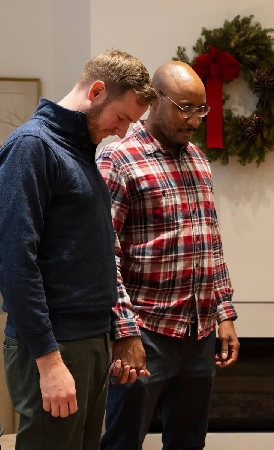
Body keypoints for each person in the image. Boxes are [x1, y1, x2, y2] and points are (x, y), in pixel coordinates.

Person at [0, 49, 157, 450]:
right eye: (121, 118)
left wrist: (115, 336)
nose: (123, 133)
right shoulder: (33, 147)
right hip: (56, 344)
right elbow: (15, 261)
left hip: (90, 341)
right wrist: (50, 361)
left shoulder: (80, 150)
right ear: (97, 91)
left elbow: (92, 255)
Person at [96, 60, 240, 450]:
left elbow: (210, 243)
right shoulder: (118, 159)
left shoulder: (198, 160)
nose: (194, 119)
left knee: (189, 443)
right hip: (146, 333)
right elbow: (102, 256)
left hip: (198, 333)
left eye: (201, 109)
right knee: (123, 441)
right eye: (184, 107)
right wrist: (125, 332)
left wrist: (224, 312)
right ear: (155, 101)